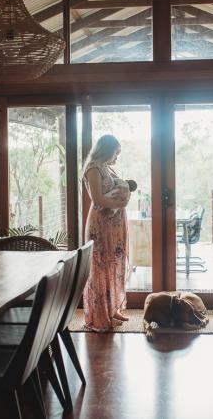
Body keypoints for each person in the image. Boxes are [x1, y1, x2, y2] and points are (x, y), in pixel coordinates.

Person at [82, 134, 132, 331]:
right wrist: (121, 203)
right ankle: (99, 315)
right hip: (101, 224)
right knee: (101, 266)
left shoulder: (107, 168)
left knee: (113, 264)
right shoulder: (93, 168)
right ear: (107, 150)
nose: (117, 158)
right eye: (115, 153)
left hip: (114, 223)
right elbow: (98, 199)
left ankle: (112, 309)